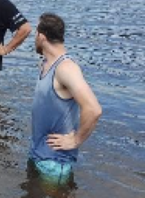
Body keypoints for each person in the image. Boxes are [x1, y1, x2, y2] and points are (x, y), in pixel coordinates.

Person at [30, 13, 102, 184]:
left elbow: (93, 109)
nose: (34, 38)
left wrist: (76, 140)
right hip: (38, 154)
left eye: (35, 34)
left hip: (55, 163)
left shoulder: (66, 68)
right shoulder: (47, 63)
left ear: (41, 36)